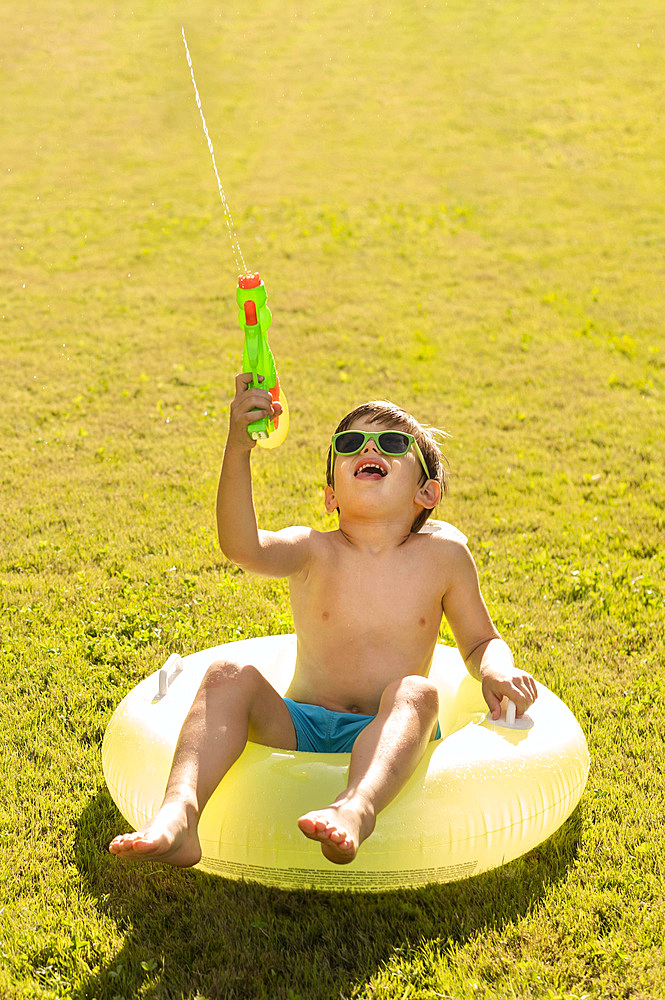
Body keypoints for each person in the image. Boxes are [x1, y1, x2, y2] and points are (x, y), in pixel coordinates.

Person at [109, 374, 537, 867]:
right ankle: (179, 814)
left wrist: (495, 670)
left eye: (392, 443)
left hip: (391, 730)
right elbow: (241, 546)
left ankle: (356, 808)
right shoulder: (314, 549)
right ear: (331, 494)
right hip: (301, 722)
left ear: (427, 493)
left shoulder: (444, 557)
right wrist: (238, 449)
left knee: (417, 693)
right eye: (350, 442)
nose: (368, 448)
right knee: (227, 676)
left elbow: (481, 639)